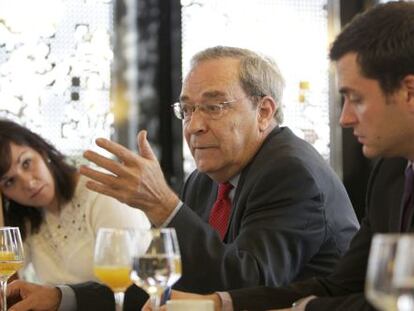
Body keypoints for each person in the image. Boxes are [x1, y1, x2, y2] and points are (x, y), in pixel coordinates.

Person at [5, 46, 359, 310]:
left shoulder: (290, 172)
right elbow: (162, 282)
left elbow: (248, 287)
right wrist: (61, 297)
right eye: (187, 109)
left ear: (264, 112)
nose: (194, 125)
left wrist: (165, 206)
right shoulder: (206, 179)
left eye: (213, 106)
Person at [147, 1, 414, 310]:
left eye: (356, 98)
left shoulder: (290, 171)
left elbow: (252, 277)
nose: (345, 118)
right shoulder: (393, 171)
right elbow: (342, 285)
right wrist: (215, 305)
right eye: (188, 110)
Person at [0, 119, 150, 285]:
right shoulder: (27, 216)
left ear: (41, 151)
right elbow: (6, 282)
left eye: (26, 163)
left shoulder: (100, 192)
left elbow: (131, 287)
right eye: (9, 182)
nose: (28, 183)